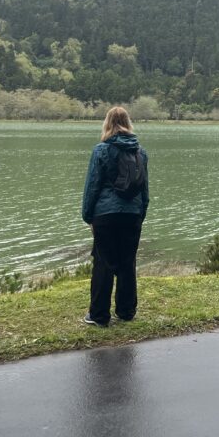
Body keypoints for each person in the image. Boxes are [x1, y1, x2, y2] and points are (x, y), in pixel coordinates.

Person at [81, 106, 149, 327]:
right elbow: (144, 190)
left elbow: (92, 186)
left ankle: (99, 315)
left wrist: (88, 216)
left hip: (105, 215)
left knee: (103, 263)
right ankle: (126, 311)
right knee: (127, 262)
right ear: (128, 123)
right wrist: (141, 214)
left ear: (107, 123)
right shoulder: (140, 152)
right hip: (132, 214)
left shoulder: (101, 150)